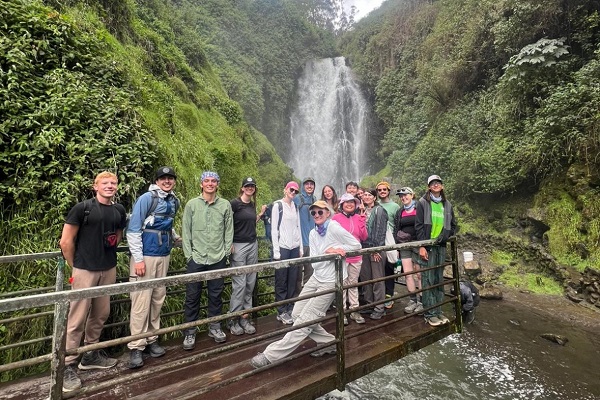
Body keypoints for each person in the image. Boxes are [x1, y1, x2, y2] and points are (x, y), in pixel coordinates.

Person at [250, 200, 362, 369]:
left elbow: (356, 244)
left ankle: (270, 355)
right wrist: (329, 252)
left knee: (305, 321)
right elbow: (315, 263)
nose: (317, 215)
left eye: (320, 212)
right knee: (297, 315)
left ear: (328, 213)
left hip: (331, 280)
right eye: (314, 213)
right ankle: (330, 342)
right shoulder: (312, 233)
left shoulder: (334, 227)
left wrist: (337, 248)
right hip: (317, 277)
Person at [58, 171, 127, 392]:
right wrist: (75, 267)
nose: (110, 186)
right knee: (77, 317)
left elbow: (118, 236)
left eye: (113, 183)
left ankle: (90, 354)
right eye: (105, 183)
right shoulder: (83, 208)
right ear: (95, 186)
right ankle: (68, 364)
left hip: (108, 267)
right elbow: (66, 241)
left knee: (101, 313)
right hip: (84, 269)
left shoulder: (119, 210)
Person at [127, 166, 181, 369]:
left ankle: (152, 339)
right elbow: (133, 229)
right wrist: (138, 259)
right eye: (163, 178)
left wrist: (175, 237)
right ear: (157, 181)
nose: (167, 181)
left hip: (163, 254)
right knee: (141, 300)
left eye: (170, 178)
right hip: (146, 257)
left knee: (157, 298)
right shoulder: (147, 198)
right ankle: (136, 346)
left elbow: (166, 223)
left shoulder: (173, 200)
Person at [181, 171, 234, 349]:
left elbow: (228, 230)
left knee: (216, 295)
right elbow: (185, 231)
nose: (210, 184)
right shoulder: (192, 205)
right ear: (201, 184)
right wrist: (189, 255)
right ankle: (189, 331)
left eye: (213, 181)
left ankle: (215, 327)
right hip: (196, 257)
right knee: (192, 296)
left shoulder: (225, 205)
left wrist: (226, 253)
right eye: (207, 181)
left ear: (217, 184)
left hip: (218, 257)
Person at [415, 175, 457, 327]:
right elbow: (418, 226)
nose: (436, 185)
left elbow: (453, 225)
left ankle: (438, 311)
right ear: (429, 187)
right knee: (428, 279)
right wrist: (422, 246)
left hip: (441, 246)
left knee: (438, 279)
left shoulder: (447, 204)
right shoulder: (422, 203)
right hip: (428, 246)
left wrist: (446, 235)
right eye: (433, 183)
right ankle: (430, 313)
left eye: (438, 183)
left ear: (442, 186)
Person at [228, 177, 266, 336]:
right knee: (240, 284)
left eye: (252, 186)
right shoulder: (234, 204)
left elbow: (250, 222)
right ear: (242, 188)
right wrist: (228, 242)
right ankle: (233, 319)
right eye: (247, 186)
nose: (250, 188)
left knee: (250, 283)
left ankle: (245, 317)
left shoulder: (251, 204)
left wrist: (261, 214)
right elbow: (227, 222)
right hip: (238, 246)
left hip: (252, 245)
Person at [332, 193, 368, 325]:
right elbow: (332, 236)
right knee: (342, 285)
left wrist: (363, 220)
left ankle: (354, 310)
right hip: (342, 257)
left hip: (356, 256)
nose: (349, 204)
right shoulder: (336, 219)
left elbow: (364, 237)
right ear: (342, 204)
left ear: (355, 205)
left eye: (352, 202)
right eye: (346, 202)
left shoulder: (359, 217)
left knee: (353, 284)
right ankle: (342, 313)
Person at [271, 181, 303, 325]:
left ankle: (290, 307)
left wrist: (301, 247)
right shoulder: (277, 205)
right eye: (291, 189)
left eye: (296, 191)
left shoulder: (295, 206)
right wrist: (276, 251)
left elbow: (298, 227)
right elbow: (273, 230)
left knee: (292, 278)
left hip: (294, 247)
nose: (293, 192)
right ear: (285, 189)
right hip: (283, 247)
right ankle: (281, 310)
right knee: (281, 279)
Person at [359, 188, 389, 320]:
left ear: (374, 198)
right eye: (364, 194)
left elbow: (381, 231)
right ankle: (369, 303)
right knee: (366, 278)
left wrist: (376, 249)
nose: (366, 196)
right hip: (363, 249)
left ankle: (379, 307)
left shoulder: (380, 210)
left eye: (369, 195)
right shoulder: (362, 211)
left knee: (377, 279)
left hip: (375, 249)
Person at [393, 187, 423, 314]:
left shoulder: (419, 209)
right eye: (401, 196)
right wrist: (396, 246)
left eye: (405, 195)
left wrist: (423, 245)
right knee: (408, 274)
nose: (403, 197)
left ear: (412, 195)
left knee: (419, 274)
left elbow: (424, 226)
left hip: (417, 244)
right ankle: (412, 300)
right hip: (404, 245)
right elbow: (396, 228)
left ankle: (422, 301)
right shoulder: (400, 212)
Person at [376, 181, 400, 308]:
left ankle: (389, 295)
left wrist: (397, 244)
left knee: (389, 267)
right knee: (379, 269)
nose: (382, 192)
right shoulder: (376, 205)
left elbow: (397, 225)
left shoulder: (395, 206)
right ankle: (379, 294)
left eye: (384, 189)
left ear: (388, 191)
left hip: (390, 241)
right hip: (378, 241)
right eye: (379, 190)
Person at [294, 177, 317, 297]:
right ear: (303, 186)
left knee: (310, 272)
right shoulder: (297, 199)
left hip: (312, 243)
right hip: (300, 243)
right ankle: (297, 298)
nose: (309, 186)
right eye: (307, 184)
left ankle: (307, 297)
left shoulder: (315, 199)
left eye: (311, 184)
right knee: (298, 273)